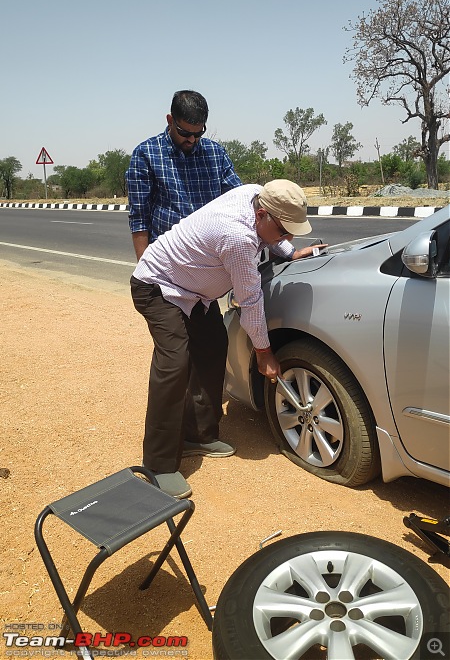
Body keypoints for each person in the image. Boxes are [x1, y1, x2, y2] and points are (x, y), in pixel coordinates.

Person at [130, 179, 325, 498]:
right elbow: (250, 300)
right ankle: (158, 466)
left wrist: (290, 251)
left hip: (195, 293)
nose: (286, 237)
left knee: (212, 348)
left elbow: (274, 236)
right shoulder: (237, 236)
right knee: (175, 364)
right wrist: (264, 353)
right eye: (283, 231)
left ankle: (199, 434)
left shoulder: (256, 194)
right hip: (159, 287)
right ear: (261, 215)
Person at [126, 89, 241, 259]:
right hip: (168, 261)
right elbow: (140, 218)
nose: (192, 140)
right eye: (185, 133)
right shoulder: (146, 154)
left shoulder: (215, 153)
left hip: (211, 258)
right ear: (170, 120)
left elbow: (241, 200)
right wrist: (144, 272)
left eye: (198, 133)